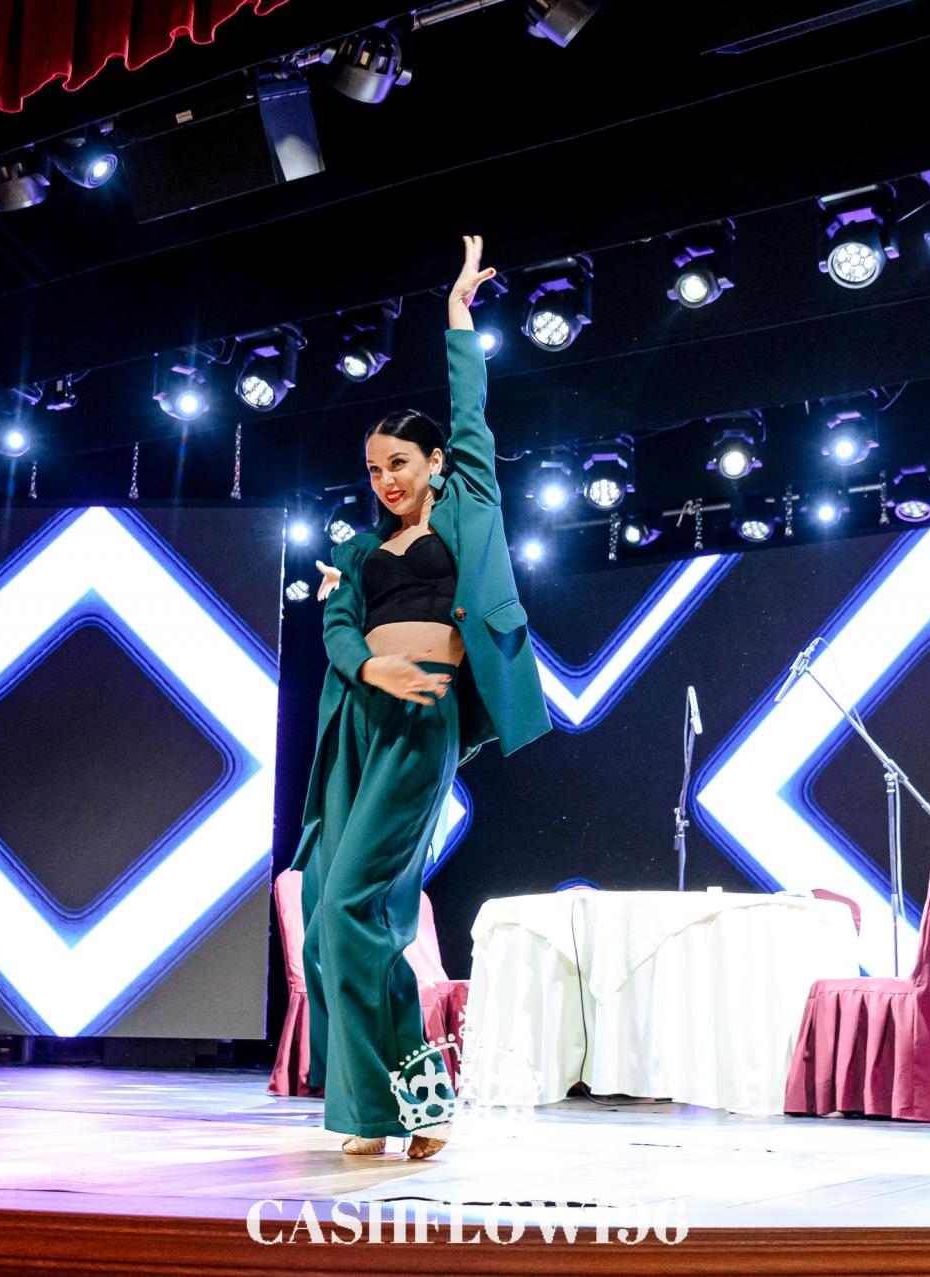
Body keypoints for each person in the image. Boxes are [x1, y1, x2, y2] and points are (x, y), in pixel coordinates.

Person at [293, 236, 551, 1159]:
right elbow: (336, 633)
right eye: (374, 469)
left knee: (349, 905)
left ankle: (408, 1102)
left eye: (400, 462)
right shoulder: (357, 553)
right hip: (358, 722)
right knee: (331, 924)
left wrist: (456, 315)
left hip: (420, 720)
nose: (387, 480)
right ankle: (402, 1106)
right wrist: (369, 666)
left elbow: (471, 410)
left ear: (437, 462)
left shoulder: (466, 502)